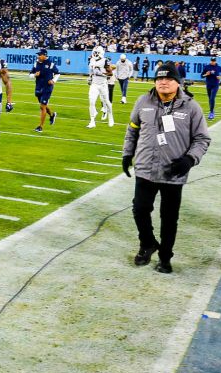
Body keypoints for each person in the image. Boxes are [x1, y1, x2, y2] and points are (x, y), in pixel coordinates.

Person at [122, 63, 212, 274]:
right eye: (159, 79)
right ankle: (147, 244)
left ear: (178, 82)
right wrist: (127, 153)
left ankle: (165, 257)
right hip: (145, 167)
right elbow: (132, 129)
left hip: (173, 171)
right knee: (140, 209)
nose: (163, 82)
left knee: (169, 217)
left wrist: (190, 159)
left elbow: (202, 139)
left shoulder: (191, 107)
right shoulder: (143, 101)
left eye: (169, 79)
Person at [30, 48, 59, 133]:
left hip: (47, 88)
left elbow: (57, 73)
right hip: (38, 87)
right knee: (43, 106)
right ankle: (52, 115)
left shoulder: (51, 64)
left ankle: (40, 127)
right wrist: (35, 75)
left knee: (42, 107)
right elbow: (30, 75)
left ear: (44, 55)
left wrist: (53, 81)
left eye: (40, 55)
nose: (38, 56)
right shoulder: (36, 63)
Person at [86, 45, 114, 129]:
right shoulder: (91, 60)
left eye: (97, 53)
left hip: (103, 84)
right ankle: (92, 121)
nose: (95, 54)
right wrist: (90, 78)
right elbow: (91, 71)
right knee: (91, 101)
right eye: (95, 52)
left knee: (107, 101)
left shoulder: (105, 61)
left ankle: (110, 116)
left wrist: (102, 73)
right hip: (94, 83)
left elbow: (110, 73)